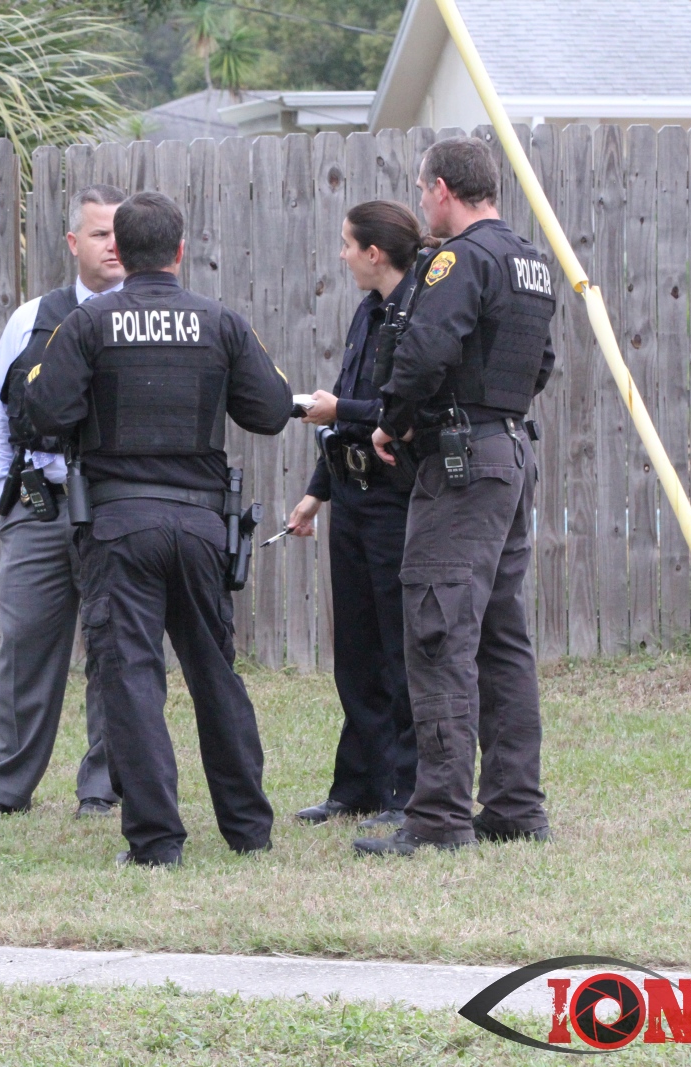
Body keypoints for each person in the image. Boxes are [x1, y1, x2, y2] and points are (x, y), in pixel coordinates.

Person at [23, 191, 294, 867]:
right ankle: (248, 830)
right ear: (179, 250)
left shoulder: (88, 323)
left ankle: (155, 841)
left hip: (119, 526)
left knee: (131, 679)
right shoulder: (221, 322)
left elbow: (43, 412)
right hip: (201, 525)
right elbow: (269, 409)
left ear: (120, 249)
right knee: (215, 674)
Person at [356, 137, 556, 856]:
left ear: (442, 188)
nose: (421, 203)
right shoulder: (530, 261)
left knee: (438, 631)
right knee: (501, 636)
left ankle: (439, 818)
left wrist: (392, 420)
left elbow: (424, 351)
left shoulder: (459, 260)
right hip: (509, 453)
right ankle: (514, 804)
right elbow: (541, 364)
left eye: (422, 190)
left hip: (462, 464)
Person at [0, 184, 127, 823]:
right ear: (74, 243)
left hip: (114, 505)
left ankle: (103, 788)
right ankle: (6, 792)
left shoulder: (143, 319)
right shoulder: (32, 318)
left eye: (121, 234)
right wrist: (8, 493)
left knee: (115, 648)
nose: (112, 246)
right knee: (24, 648)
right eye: (99, 234)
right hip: (41, 506)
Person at [286, 201, 425, 832]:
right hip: (351, 497)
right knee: (357, 649)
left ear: (374, 253)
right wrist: (316, 493)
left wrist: (340, 408)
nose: (341, 255)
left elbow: (401, 408)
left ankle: (404, 791)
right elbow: (347, 411)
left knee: (399, 648)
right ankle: (358, 786)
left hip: (397, 500)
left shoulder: (419, 312)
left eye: (347, 244)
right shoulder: (367, 311)